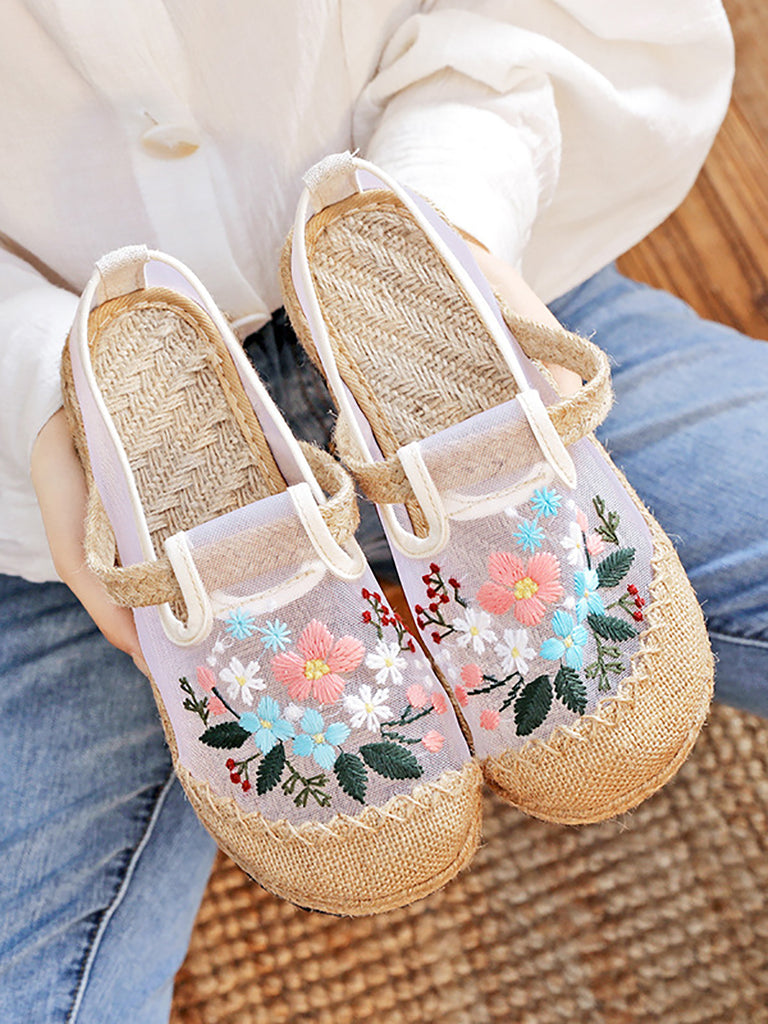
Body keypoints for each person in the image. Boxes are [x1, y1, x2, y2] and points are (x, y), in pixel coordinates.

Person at [2, 2, 765, 1022]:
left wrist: (458, 217)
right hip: (68, 472)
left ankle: (413, 278)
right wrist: (31, 384)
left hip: (461, 308)